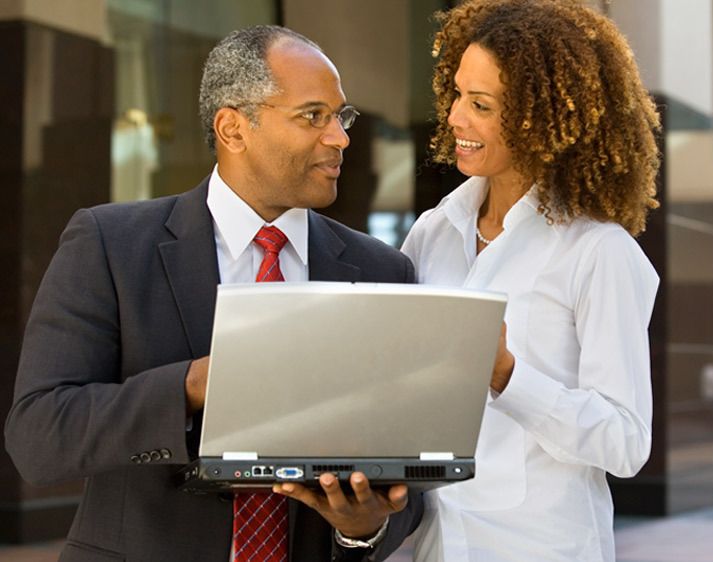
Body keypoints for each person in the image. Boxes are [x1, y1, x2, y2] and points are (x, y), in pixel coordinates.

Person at [5, 25, 421, 562]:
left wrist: (363, 527)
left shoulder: (382, 270)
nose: (340, 138)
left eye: (341, 118)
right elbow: (40, 437)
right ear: (233, 128)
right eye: (312, 116)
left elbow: (409, 468)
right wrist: (191, 384)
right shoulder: (110, 245)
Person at [400, 1, 660, 560]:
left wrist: (506, 375)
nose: (453, 118)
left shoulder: (599, 251)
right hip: (430, 545)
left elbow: (626, 440)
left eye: (480, 104)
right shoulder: (432, 233)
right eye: (456, 96)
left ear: (539, 118)